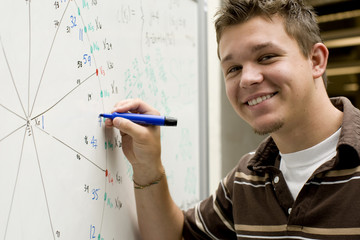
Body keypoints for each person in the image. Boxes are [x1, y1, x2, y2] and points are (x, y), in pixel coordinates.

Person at [106, 0, 360, 239]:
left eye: (266, 57)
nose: (247, 78)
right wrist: (147, 166)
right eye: (234, 68)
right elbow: (176, 235)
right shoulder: (245, 179)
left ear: (316, 60)